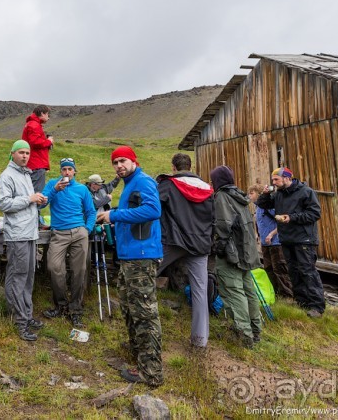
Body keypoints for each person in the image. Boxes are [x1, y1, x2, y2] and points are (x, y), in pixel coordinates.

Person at [96, 145, 163, 387]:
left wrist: (114, 216)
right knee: (129, 306)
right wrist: (112, 214)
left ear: (134, 161)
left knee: (144, 313)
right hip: (128, 256)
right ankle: (138, 353)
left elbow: (153, 210)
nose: (118, 166)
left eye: (123, 161)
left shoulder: (143, 181)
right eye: (115, 163)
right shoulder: (129, 185)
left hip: (141, 255)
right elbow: (132, 212)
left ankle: (151, 371)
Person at [156, 153, 214, 349]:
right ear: (191, 166)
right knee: (200, 291)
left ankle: (148, 329)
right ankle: (200, 341)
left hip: (174, 242)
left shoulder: (168, 184)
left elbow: (153, 207)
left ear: (173, 167)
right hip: (200, 244)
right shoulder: (207, 188)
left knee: (144, 276)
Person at [0, 140, 48, 341]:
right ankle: (20, 322)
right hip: (17, 233)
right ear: (12, 154)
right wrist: (29, 199)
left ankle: (26, 314)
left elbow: (28, 201)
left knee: (28, 276)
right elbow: (3, 203)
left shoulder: (25, 174)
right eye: (21, 153)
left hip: (30, 232)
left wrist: (38, 200)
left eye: (27, 153)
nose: (25, 156)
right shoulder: (7, 175)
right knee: (19, 276)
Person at [255, 167, 324, 317]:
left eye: (276, 180)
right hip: (286, 239)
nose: (274, 182)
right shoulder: (278, 194)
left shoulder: (306, 192)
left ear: (287, 178)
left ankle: (317, 307)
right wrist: (265, 194)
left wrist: (291, 218)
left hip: (304, 239)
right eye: (273, 180)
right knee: (293, 271)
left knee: (307, 271)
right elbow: (262, 204)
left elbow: (314, 213)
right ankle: (302, 303)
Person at [209, 165, 262, 347]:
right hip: (246, 252)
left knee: (234, 292)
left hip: (232, 255)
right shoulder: (239, 195)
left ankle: (244, 335)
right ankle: (256, 330)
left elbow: (223, 227)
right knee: (249, 292)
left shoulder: (222, 197)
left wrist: (217, 248)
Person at [40, 158, 96, 328]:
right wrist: (55, 191)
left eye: (69, 169)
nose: (66, 172)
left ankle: (76, 309)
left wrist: (87, 229)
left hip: (79, 232)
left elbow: (91, 211)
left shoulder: (82, 189)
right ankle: (61, 305)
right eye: (63, 169)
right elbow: (41, 205)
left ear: (74, 172)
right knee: (54, 267)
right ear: (60, 171)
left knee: (79, 270)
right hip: (59, 233)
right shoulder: (52, 184)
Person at [248, 184, 293, 298]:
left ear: (258, 194)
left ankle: (287, 296)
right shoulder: (257, 208)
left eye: (252, 193)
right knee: (269, 269)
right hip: (265, 243)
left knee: (280, 270)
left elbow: (281, 221)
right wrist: (257, 235)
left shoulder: (269, 206)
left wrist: (271, 234)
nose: (249, 196)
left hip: (276, 243)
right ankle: (275, 294)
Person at [22, 105, 54, 195]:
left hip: (33, 163)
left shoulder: (32, 124)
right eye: (47, 114)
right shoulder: (34, 125)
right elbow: (35, 142)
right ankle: (35, 209)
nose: (48, 117)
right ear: (42, 113)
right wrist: (48, 141)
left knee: (31, 192)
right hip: (36, 164)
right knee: (37, 193)